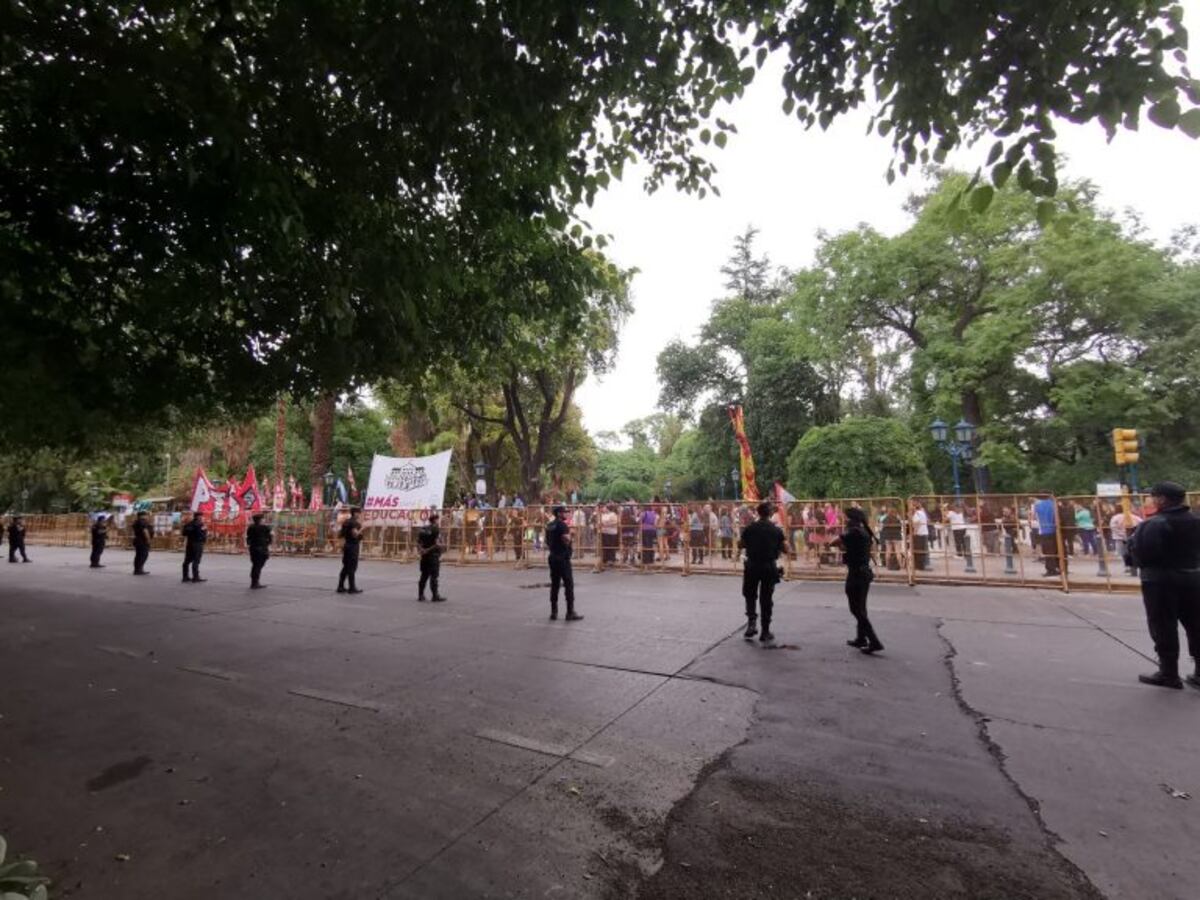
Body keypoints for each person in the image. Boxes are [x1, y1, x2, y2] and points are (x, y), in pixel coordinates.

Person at [1125, 482, 1200, 690]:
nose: (1151, 500)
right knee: (1195, 625)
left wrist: (1131, 547)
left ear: (1162, 499)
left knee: (1163, 626)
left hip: (1160, 581)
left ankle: (1168, 674)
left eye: (1153, 497)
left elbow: (1141, 555)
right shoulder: (1196, 520)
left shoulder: (1154, 524)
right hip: (1193, 577)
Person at [832, 507, 884, 654]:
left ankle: (874, 641)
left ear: (850, 519)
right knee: (861, 607)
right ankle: (861, 638)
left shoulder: (853, 532)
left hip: (856, 574)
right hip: (863, 572)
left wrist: (842, 539)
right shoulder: (864, 531)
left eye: (845, 517)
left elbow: (833, 542)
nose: (843, 520)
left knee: (856, 609)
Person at [739, 501, 786, 644]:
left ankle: (751, 623)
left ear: (758, 513)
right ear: (770, 513)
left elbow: (740, 544)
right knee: (766, 598)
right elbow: (786, 549)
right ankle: (765, 631)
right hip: (768, 566)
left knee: (750, 595)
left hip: (752, 565)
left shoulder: (749, 528)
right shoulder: (776, 530)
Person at [546, 505, 582, 621]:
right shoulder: (562, 525)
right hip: (562, 558)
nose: (566, 514)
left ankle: (554, 612)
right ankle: (570, 612)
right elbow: (566, 539)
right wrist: (571, 537)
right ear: (559, 514)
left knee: (555, 585)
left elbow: (547, 541)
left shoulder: (550, 525)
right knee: (568, 584)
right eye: (564, 512)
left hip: (553, 556)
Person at [417, 511, 447, 602]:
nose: (439, 521)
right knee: (434, 576)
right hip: (433, 556)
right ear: (435, 520)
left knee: (424, 575)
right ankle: (435, 595)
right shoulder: (436, 529)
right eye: (438, 519)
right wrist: (428, 550)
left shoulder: (423, 529)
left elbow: (418, 542)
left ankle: (421, 595)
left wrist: (421, 550)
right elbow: (437, 543)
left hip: (424, 556)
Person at [336, 507, 364, 594]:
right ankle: (352, 587)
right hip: (352, 546)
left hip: (347, 545)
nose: (360, 514)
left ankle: (340, 586)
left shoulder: (346, 522)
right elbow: (355, 534)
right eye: (359, 513)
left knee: (346, 567)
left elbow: (340, 534)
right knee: (352, 567)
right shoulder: (353, 523)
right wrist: (363, 528)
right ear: (355, 513)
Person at [1110, 506, 1143, 576]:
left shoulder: (1115, 518)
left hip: (1119, 538)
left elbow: (1113, 527)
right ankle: (1134, 567)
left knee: (1123, 553)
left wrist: (1121, 534)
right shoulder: (1133, 516)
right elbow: (1141, 523)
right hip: (1131, 537)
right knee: (1132, 552)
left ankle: (1127, 567)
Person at [1034, 496, 1062, 576]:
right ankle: (1057, 567)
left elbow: (1035, 516)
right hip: (1054, 529)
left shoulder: (1038, 504)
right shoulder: (1053, 503)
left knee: (1047, 551)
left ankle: (1050, 570)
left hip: (1044, 530)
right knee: (1054, 550)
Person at [246, 512, 272, 589]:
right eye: (263, 519)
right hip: (261, 548)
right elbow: (270, 537)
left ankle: (254, 581)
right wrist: (268, 543)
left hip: (253, 547)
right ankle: (255, 582)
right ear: (260, 520)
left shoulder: (251, 527)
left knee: (255, 565)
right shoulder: (265, 528)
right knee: (258, 565)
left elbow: (248, 538)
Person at [181, 511, 208, 583]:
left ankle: (185, 576)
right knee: (196, 560)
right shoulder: (200, 524)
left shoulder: (188, 524)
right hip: (197, 544)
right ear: (199, 517)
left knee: (187, 560)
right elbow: (202, 534)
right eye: (201, 516)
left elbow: (184, 533)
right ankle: (195, 577)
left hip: (189, 544)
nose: (202, 518)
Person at [132, 510, 153, 575]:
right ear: (142, 516)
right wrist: (148, 540)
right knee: (143, 555)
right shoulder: (142, 522)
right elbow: (145, 531)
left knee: (139, 555)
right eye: (146, 515)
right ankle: (138, 570)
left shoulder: (138, 522)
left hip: (139, 540)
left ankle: (138, 569)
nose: (147, 516)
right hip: (142, 541)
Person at [911, 502, 930, 571]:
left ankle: (918, 566)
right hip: (924, 532)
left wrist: (914, 532)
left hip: (919, 534)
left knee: (918, 551)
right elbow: (927, 521)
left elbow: (917, 522)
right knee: (922, 550)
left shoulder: (917, 514)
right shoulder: (923, 513)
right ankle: (922, 565)